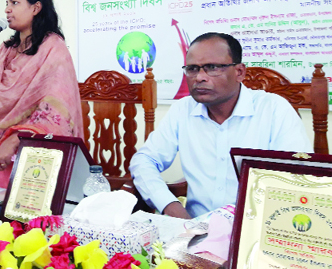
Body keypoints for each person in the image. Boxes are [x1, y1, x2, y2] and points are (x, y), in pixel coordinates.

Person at [130, 32, 312, 219]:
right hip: (193, 229)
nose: (199, 77)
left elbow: (295, 179)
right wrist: (170, 205)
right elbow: (144, 160)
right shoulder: (182, 110)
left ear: (239, 72)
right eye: (192, 69)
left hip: (254, 230)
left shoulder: (274, 109)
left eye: (212, 67)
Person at [0, 0, 83, 187]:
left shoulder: (53, 49)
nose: (8, 10)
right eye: (7, 4)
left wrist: (14, 139)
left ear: (36, 7)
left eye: (14, 3)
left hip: (29, 151)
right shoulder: (5, 50)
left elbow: (56, 114)